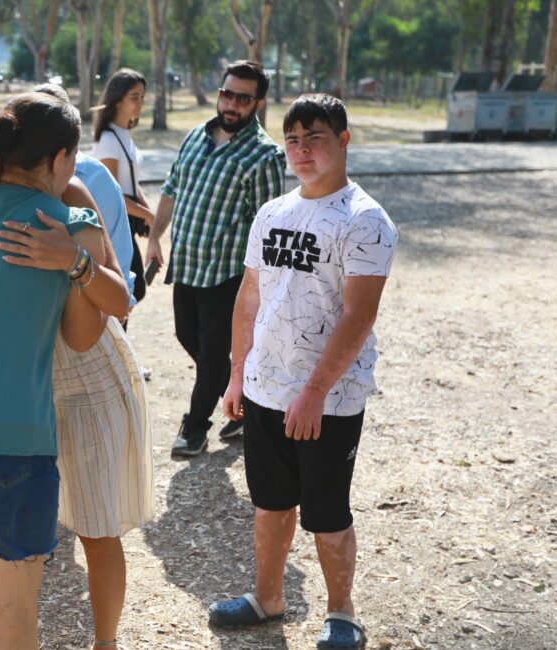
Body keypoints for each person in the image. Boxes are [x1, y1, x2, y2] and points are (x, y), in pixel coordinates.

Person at [0, 86, 152, 650]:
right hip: (12, 390)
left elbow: (121, 299)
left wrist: (73, 261)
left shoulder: (66, 194)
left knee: (96, 529)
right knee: (14, 543)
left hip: (84, 380)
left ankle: (106, 642)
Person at [207, 95, 397, 650]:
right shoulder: (273, 212)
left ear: (343, 141)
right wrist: (238, 374)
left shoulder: (365, 220)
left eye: (314, 137)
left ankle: (343, 613)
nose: (302, 150)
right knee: (269, 503)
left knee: (327, 511)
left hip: (328, 399)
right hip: (266, 388)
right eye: (292, 139)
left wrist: (315, 392)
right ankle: (268, 598)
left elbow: (359, 316)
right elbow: (249, 297)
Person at [144, 60, 287, 458]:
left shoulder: (264, 156)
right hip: (187, 264)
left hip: (227, 275)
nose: (232, 104)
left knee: (210, 353)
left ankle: (194, 428)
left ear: (257, 103)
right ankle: (241, 398)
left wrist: (260, 284)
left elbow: (269, 226)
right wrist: (155, 238)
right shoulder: (196, 136)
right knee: (186, 337)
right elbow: (171, 189)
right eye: (227, 94)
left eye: (244, 98)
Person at [92, 69, 152, 304]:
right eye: (134, 97)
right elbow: (113, 194)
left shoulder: (124, 133)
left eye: (142, 97)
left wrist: (146, 208)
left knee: (131, 290)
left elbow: (131, 183)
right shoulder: (108, 139)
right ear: (117, 100)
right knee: (129, 290)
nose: (140, 103)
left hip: (126, 225)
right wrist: (149, 214)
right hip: (114, 226)